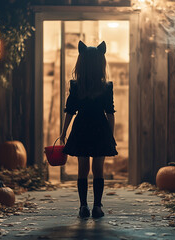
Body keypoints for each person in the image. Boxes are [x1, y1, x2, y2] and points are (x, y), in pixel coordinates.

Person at [60, 40, 118, 219]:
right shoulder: (106, 87)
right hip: (100, 128)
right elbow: (110, 113)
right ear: (101, 63)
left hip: (81, 128)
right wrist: (111, 134)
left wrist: (63, 132)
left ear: (81, 63)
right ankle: (97, 207)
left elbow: (70, 111)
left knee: (82, 169)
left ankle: (83, 207)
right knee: (98, 169)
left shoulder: (76, 86)